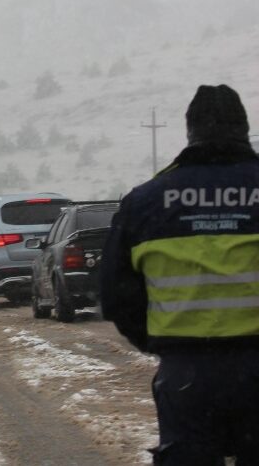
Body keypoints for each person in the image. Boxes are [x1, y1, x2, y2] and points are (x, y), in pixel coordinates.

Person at [100, 84, 259, 465]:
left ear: (190, 132)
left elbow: (115, 294)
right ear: (245, 128)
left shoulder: (146, 200)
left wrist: (160, 343)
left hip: (187, 373)